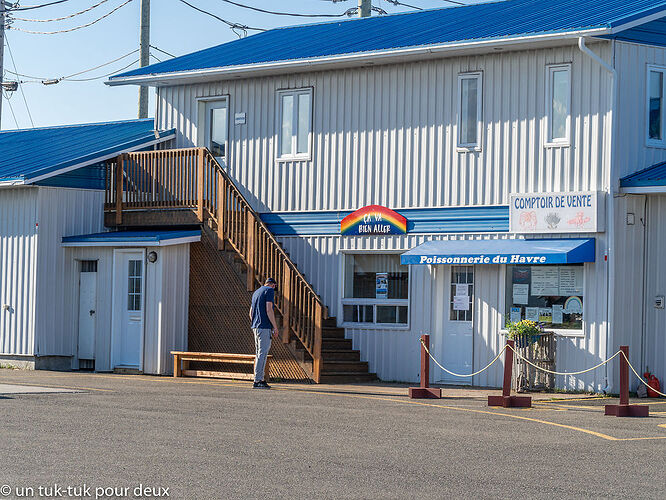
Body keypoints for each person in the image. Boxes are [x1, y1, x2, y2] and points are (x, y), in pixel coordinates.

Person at [249, 277, 279, 389]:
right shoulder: (269, 291)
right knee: (263, 353)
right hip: (264, 326)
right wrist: (275, 327)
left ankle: (258, 378)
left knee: (258, 353)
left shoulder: (256, 292)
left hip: (255, 326)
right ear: (273, 285)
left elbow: (251, 313)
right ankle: (258, 380)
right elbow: (269, 309)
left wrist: (255, 323)